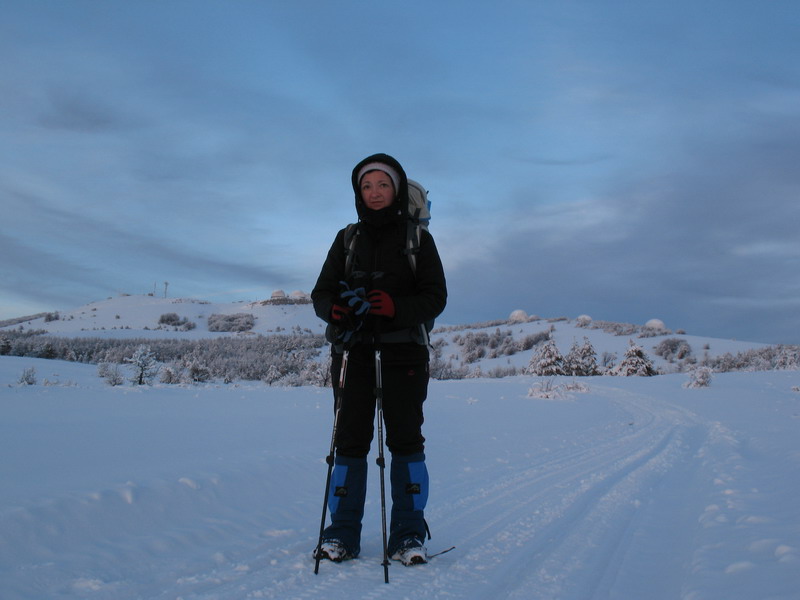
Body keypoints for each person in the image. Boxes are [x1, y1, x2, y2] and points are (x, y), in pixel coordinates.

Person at [311, 153, 447, 566]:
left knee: (406, 443)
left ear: (397, 189)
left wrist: (394, 307)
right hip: (352, 353)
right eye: (367, 186)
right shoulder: (347, 237)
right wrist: (334, 309)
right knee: (349, 442)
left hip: (403, 354)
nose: (374, 193)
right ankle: (341, 535)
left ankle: (407, 536)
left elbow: (435, 297)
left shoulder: (417, 240)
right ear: (358, 192)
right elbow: (321, 292)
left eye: (382, 185)